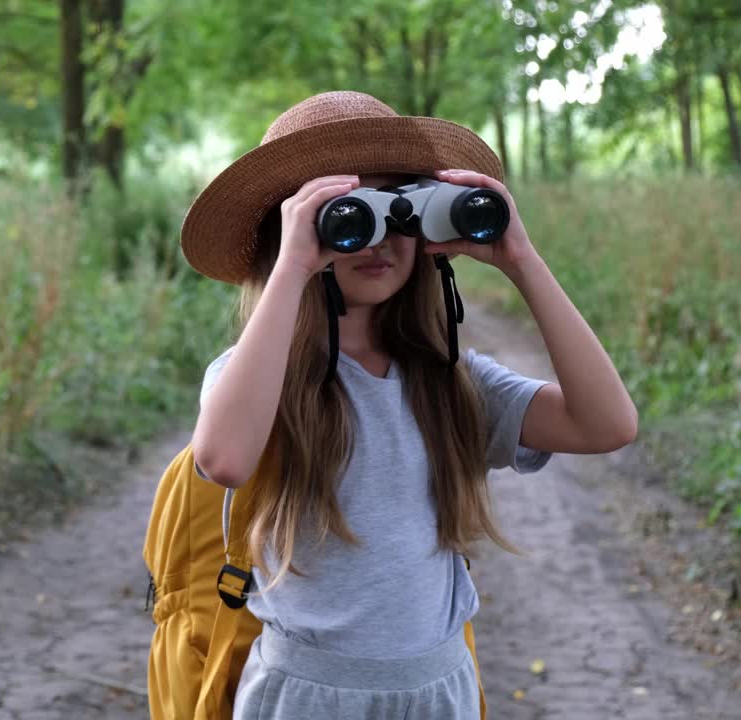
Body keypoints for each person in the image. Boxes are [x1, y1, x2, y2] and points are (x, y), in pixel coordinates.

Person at [182, 90, 637, 720]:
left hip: (438, 691)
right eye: (345, 214)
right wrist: (289, 271)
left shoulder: (450, 381)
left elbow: (607, 423)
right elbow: (225, 459)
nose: (376, 239)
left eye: (398, 209)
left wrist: (521, 261)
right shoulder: (258, 379)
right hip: (305, 697)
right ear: (289, 232)